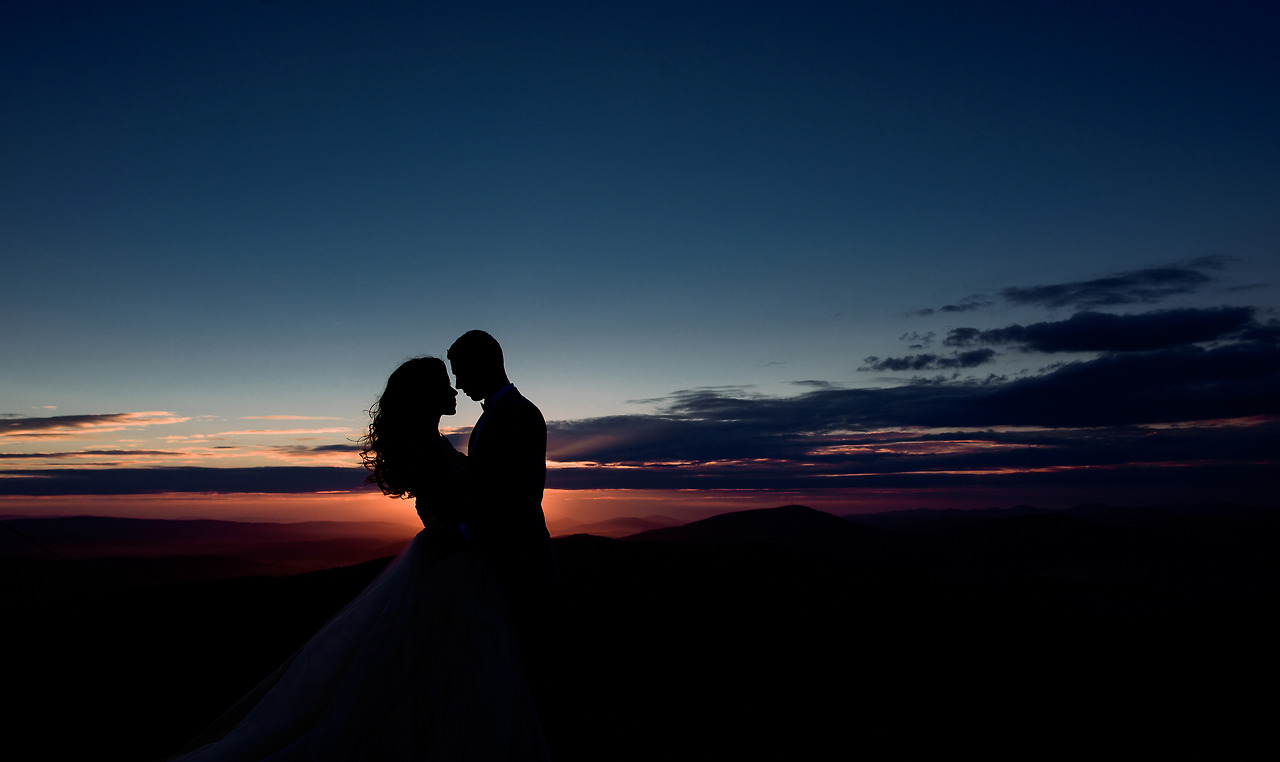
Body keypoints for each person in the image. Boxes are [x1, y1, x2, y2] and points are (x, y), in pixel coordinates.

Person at [172, 357, 548, 761]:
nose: (454, 390)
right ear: (425, 395)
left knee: (444, 671)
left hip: (454, 559)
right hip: (450, 564)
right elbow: (451, 504)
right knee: (449, 668)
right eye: (444, 384)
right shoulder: (425, 447)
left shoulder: (429, 440)